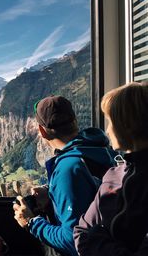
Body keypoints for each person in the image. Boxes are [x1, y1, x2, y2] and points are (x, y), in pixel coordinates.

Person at [13, 95, 116, 256]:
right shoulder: (100, 149)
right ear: (75, 121)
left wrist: (31, 223)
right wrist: (52, 191)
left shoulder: (69, 169)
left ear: (42, 131)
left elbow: (74, 241)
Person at [74, 82, 148, 255]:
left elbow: (87, 236)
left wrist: (97, 239)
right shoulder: (113, 175)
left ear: (127, 124)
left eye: (110, 121)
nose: (107, 130)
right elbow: (80, 232)